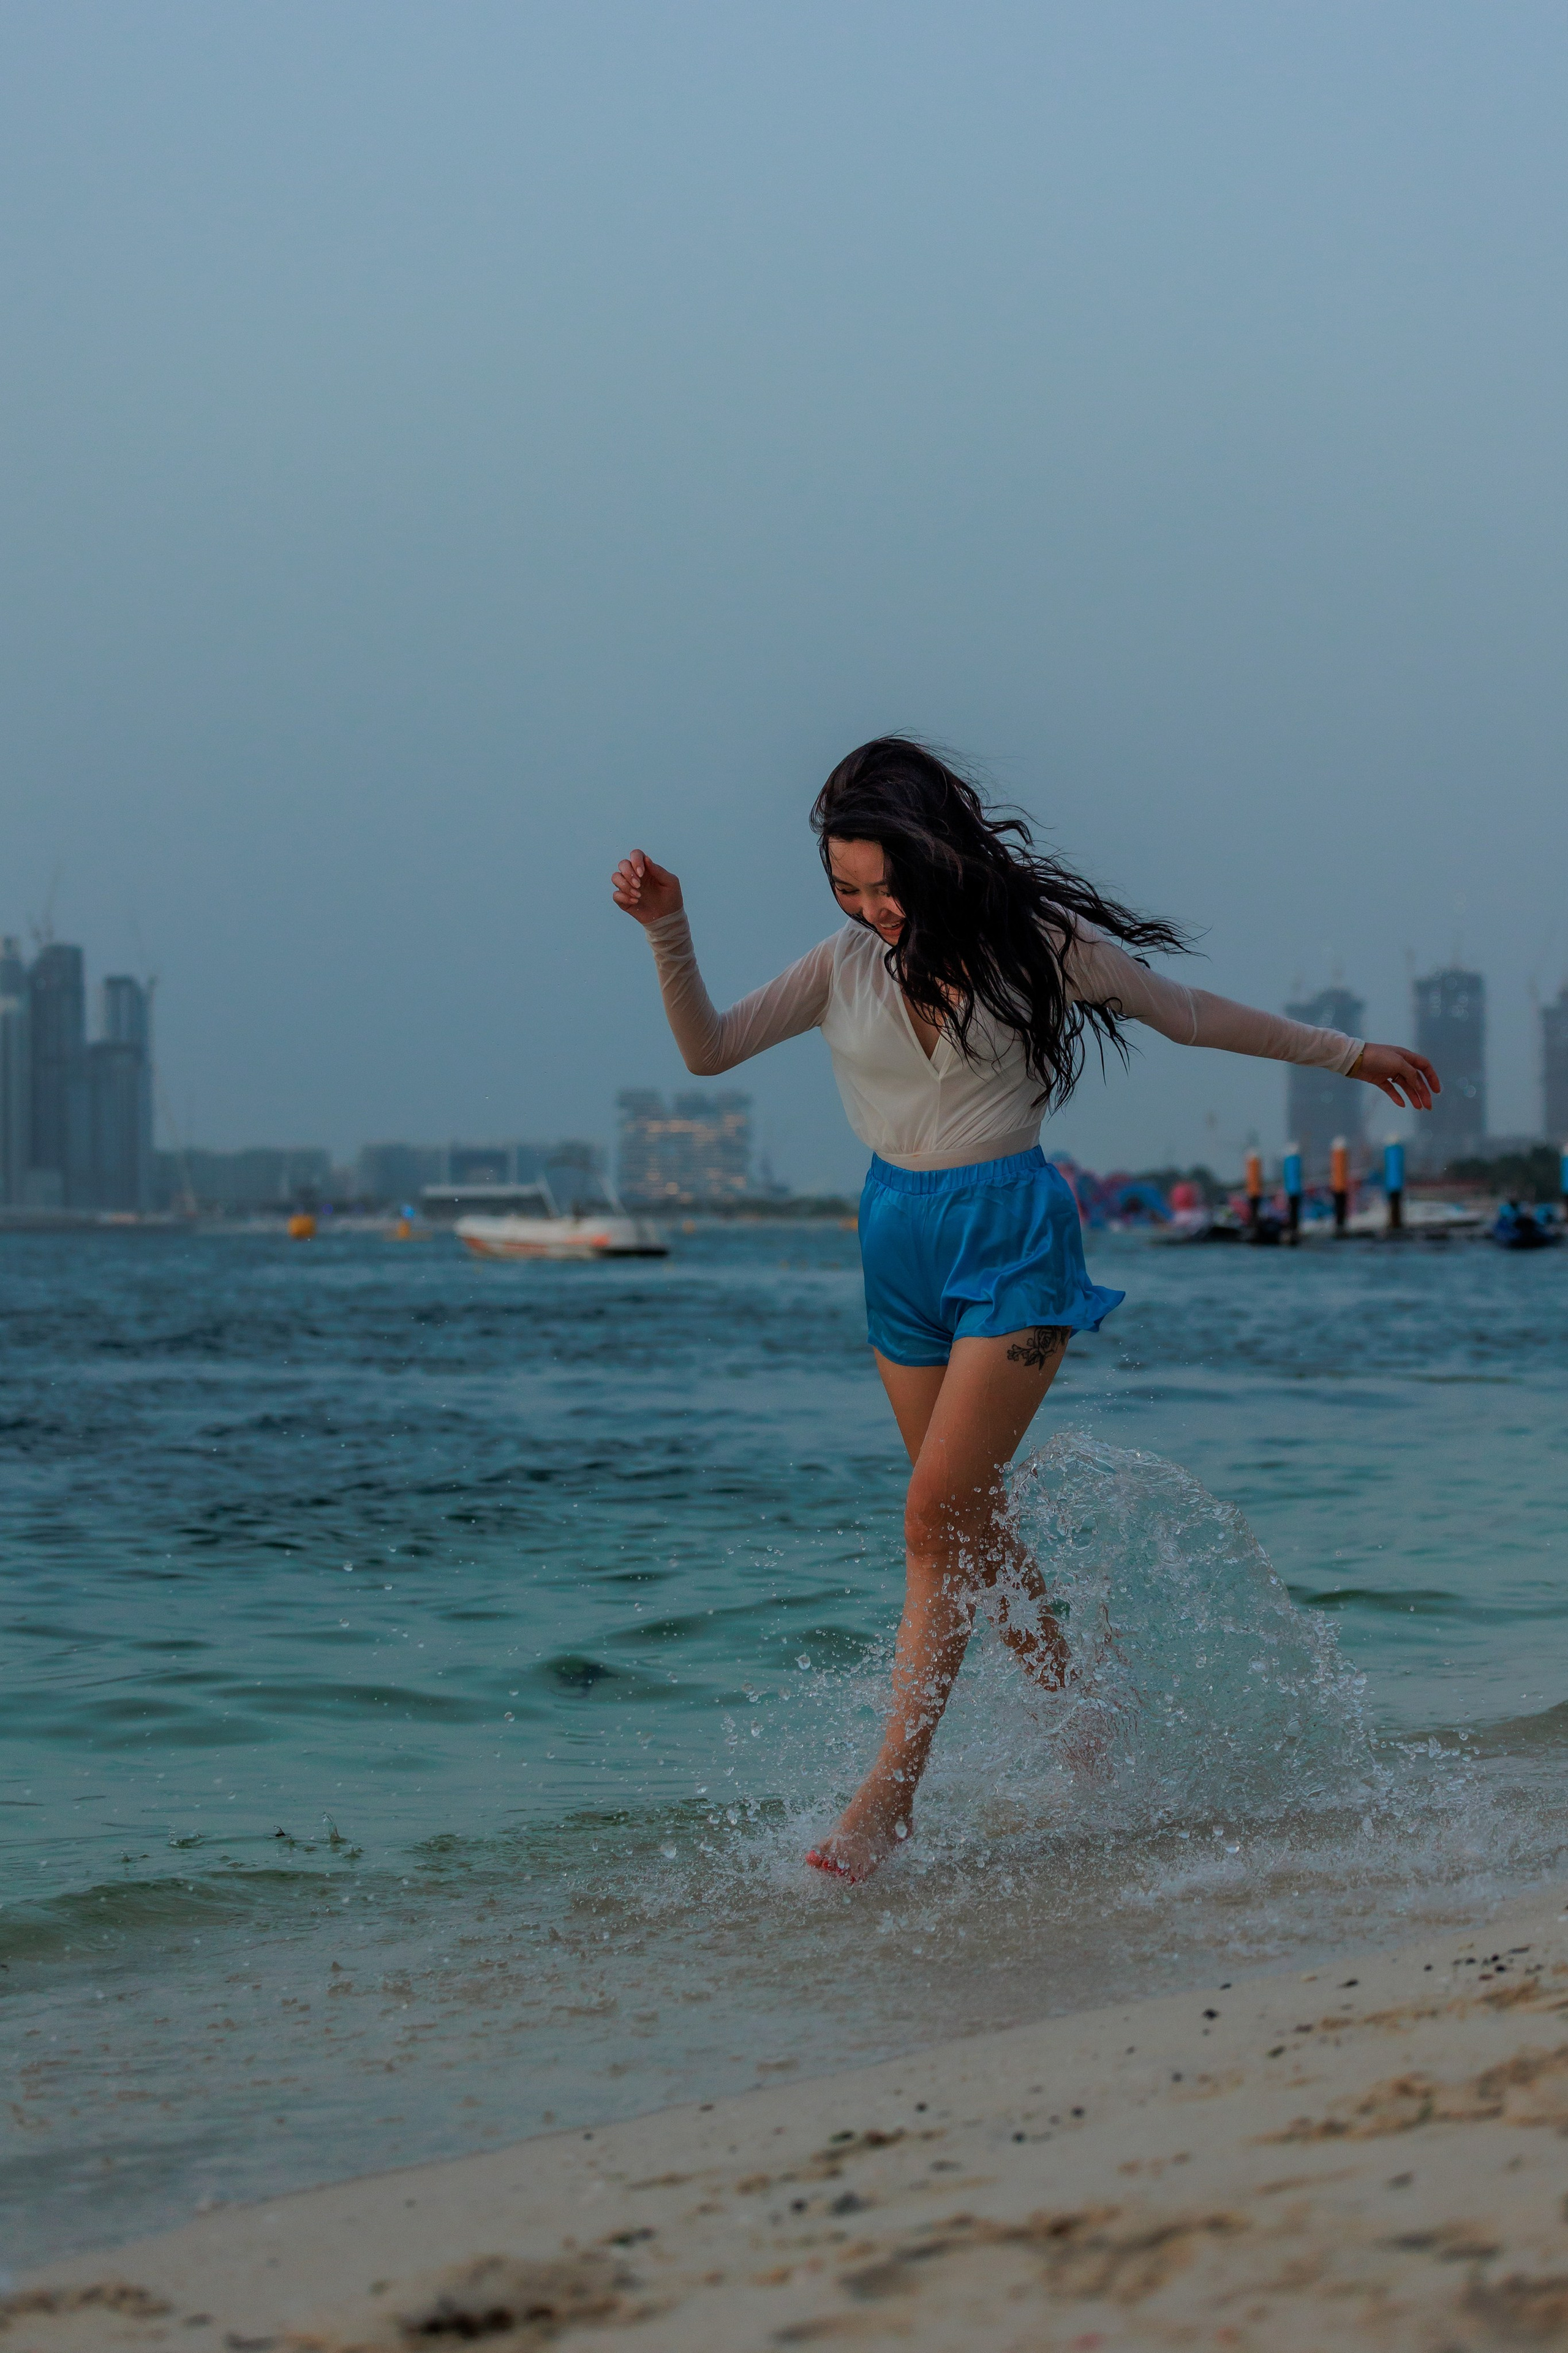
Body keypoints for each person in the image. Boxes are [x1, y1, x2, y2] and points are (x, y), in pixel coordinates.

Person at [611, 738, 1438, 1882]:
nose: (869, 908)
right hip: (892, 1237)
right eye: (845, 888)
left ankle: (885, 1803)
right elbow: (708, 1050)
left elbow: (1188, 1011)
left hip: (1009, 1238)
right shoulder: (843, 964)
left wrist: (1347, 1053)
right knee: (970, 1520)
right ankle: (1082, 1717)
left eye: (883, 884)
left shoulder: (1038, 947)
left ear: (934, 857)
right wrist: (669, 924)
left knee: (931, 1515)